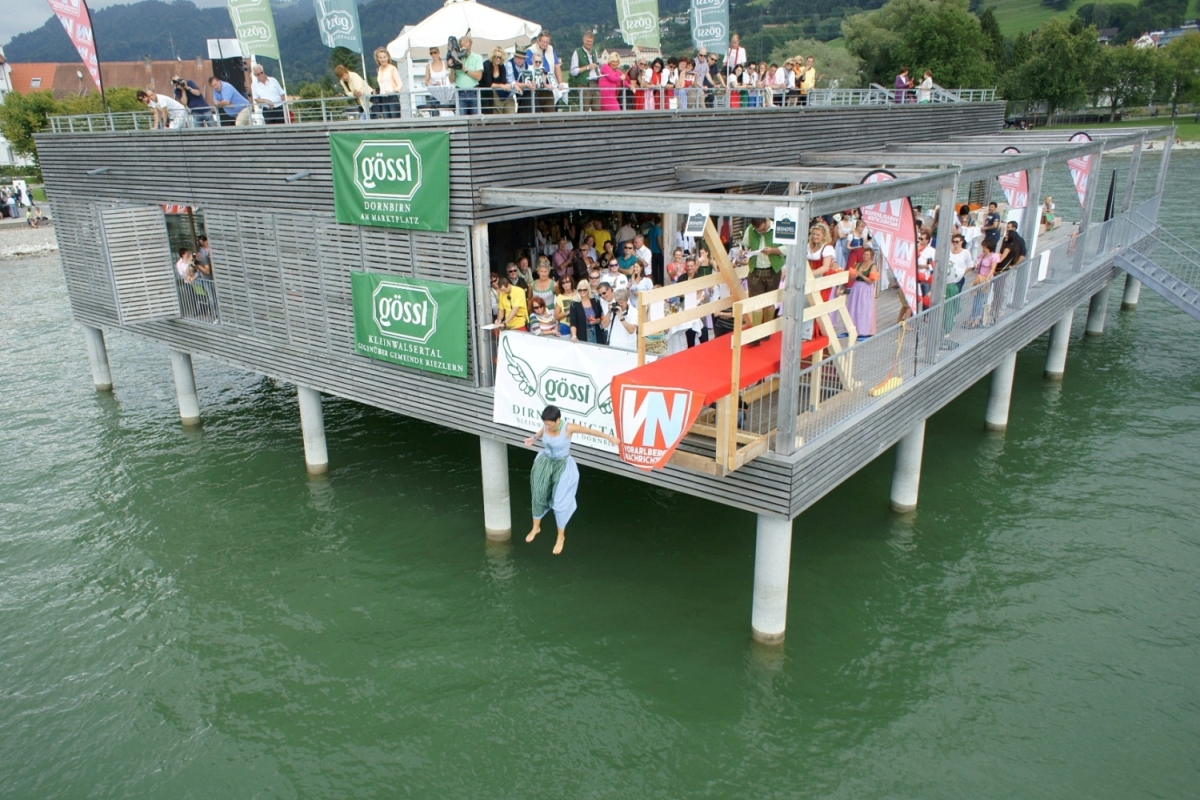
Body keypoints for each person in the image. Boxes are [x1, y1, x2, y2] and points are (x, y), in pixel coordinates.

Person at [524, 405, 618, 555]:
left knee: (560, 502)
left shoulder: (568, 428)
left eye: (550, 424)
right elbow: (542, 431)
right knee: (538, 493)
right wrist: (534, 438)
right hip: (545, 462)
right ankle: (536, 527)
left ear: (558, 420)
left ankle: (560, 536)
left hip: (562, 464)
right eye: (545, 424)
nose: (547, 426)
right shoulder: (547, 425)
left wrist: (610, 438)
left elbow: (590, 431)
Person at [742, 217, 788, 323]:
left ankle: (767, 329)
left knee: (769, 303)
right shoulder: (750, 229)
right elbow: (745, 244)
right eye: (758, 231)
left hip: (773, 270)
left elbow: (788, 248)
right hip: (755, 270)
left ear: (767, 220)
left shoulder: (778, 228)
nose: (761, 232)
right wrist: (743, 251)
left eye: (763, 229)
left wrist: (773, 250)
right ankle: (757, 331)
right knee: (756, 303)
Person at [845, 246, 878, 339]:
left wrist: (861, 275)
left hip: (866, 288)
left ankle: (864, 331)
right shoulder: (858, 264)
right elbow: (851, 278)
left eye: (867, 255)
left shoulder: (873, 266)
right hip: (856, 287)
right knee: (853, 307)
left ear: (871, 256)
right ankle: (852, 329)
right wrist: (854, 276)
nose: (865, 256)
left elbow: (871, 281)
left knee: (864, 309)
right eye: (864, 254)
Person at [968, 240, 1001, 327]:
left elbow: (992, 269)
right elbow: (978, 263)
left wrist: (987, 278)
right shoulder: (983, 255)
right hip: (979, 278)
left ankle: (976, 318)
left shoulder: (994, 256)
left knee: (980, 299)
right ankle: (973, 317)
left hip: (985, 279)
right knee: (976, 298)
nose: (983, 248)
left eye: (984, 247)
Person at [453, 34, 484, 115]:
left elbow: (479, 77)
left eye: (467, 48)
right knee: (462, 120)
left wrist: (465, 69)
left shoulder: (477, 57)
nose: (466, 50)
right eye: (463, 48)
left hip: (474, 92)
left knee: (476, 119)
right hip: (460, 92)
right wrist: (452, 67)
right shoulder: (456, 58)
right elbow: (451, 80)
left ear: (471, 45)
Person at [569, 31, 601, 111]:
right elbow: (573, 71)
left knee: (597, 108)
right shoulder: (577, 52)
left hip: (595, 83)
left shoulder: (594, 52)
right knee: (584, 109)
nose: (589, 43)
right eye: (587, 41)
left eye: (590, 41)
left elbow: (597, 67)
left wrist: (599, 73)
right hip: (583, 84)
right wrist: (587, 67)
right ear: (583, 40)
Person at [479, 47, 514, 114]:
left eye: (500, 57)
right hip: (486, 95)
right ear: (492, 56)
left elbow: (503, 82)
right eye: (496, 57)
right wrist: (501, 85)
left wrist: (507, 85)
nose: (498, 59)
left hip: (498, 94)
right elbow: (489, 84)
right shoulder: (486, 65)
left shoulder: (501, 66)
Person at [373, 48, 403, 119]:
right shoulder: (379, 69)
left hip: (392, 97)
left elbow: (400, 83)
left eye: (384, 57)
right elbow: (382, 84)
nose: (383, 59)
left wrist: (393, 91)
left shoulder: (392, 68)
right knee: (386, 120)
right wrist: (376, 91)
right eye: (380, 57)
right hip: (383, 98)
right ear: (377, 59)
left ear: (388, 57)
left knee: (395, 120)